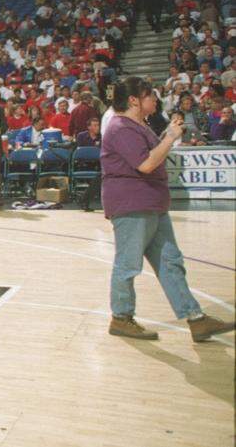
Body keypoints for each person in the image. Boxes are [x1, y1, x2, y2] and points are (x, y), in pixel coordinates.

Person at [100, 77, 234, 341]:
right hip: (133, 203)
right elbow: (146, 165)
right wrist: (170, 138)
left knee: (171, 263)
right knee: (128, 264)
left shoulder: (137, 124)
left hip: (150, 202)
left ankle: (195, 319)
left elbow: (151, 154)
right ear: (134, 100)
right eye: (149, 94)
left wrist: (166, 136)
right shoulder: (120, 127)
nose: (155, 99)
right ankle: (121, 317)